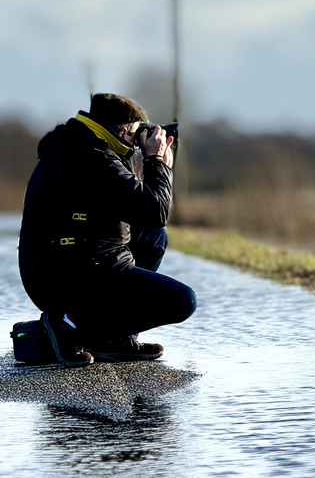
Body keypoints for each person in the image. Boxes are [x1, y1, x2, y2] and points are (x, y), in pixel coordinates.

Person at [18, 92, 197, 366]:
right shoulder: (93, 158)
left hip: (62, 266)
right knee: (182, 301)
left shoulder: (78, 145)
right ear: (124, 131)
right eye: (137, 133)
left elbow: (141, 215)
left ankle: (114, 339)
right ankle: (70, 327)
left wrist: (138, 153)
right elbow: (156, 210)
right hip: (68, 276)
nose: (138, 141)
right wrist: (157, 163)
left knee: (153, 237)